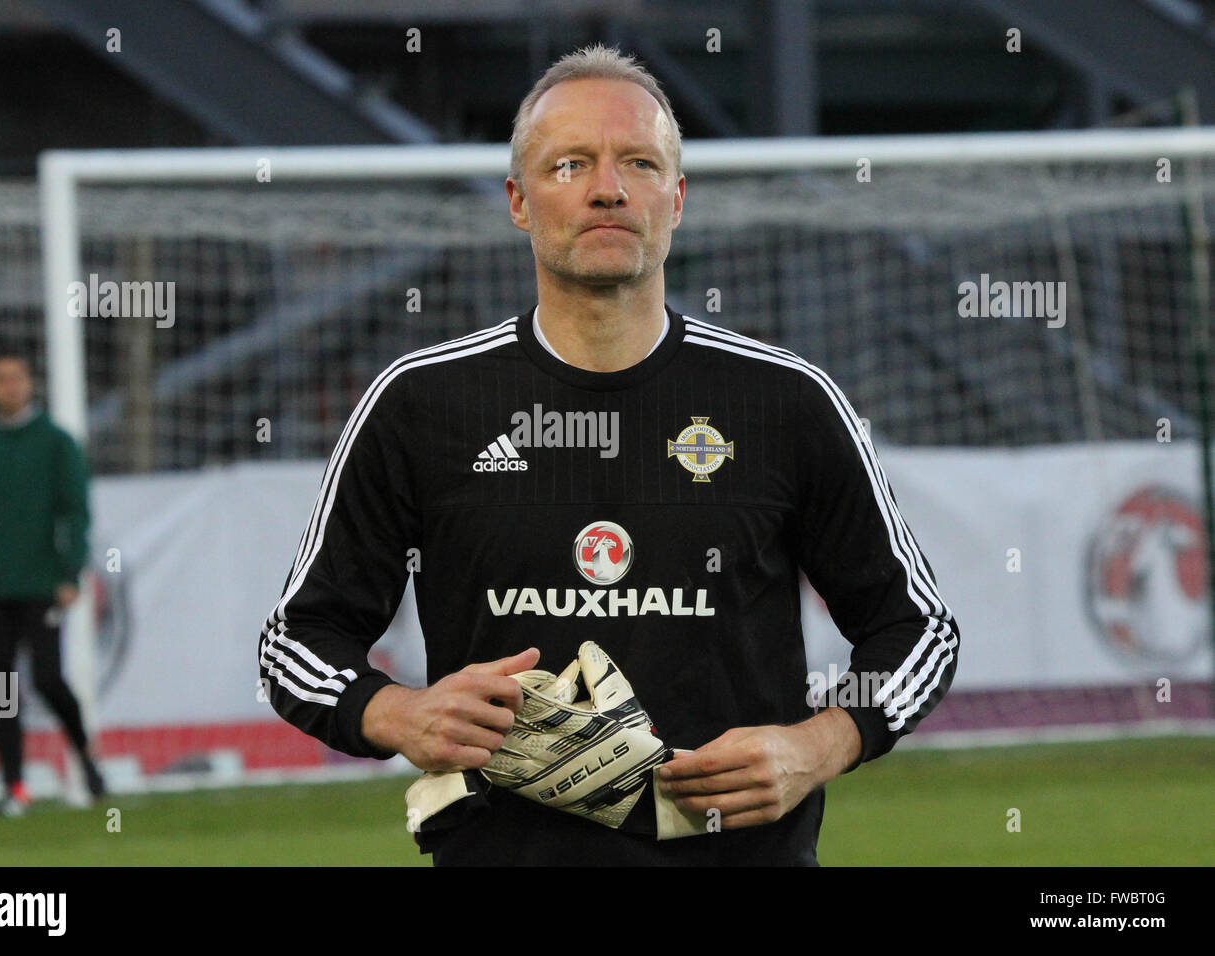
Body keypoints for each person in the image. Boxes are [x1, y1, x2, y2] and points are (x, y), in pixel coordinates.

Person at [260, 44, 959, 865]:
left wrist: (821, 745)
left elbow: (918, 631)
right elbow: (298, 641)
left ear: (677, 196)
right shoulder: (422, 404)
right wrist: (396, 715)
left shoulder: (785, 402)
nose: (608, 188)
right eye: (571, 164)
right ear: (519, 201)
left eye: (639, 162)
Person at [0, 345, 105, 816]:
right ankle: (14, 787)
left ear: (30, 383)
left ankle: (86, 758)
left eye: (17, 377)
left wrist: (70, 570)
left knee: (49, 679)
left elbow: (76, 512)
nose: (9, 386)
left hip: (43, 586)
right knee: (0, 688)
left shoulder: (56, 442)